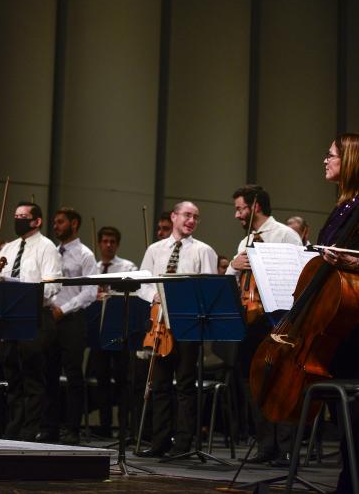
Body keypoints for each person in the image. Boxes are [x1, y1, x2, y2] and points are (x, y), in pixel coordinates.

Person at [226, 185, 302, 466]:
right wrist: (233, 265)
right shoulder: (243, 241)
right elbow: (233, 281)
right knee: (250, 381)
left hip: (278, 318)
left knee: (281, 380)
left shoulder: (285, 235)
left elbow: (301, 274)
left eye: (240, 208)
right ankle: (265, 444)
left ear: (255, 207)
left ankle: (284, 448)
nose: (237, 215)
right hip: (250, 320)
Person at [136, 201, 217, 458]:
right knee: (159, 384)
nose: (191, 220)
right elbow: (143, 283)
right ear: (174, 217)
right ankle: (159, 441)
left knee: (184, 385)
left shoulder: (204, 251)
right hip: (160, 325)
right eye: (186, 215)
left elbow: (208, 287)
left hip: (187, 325)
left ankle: (182, 444)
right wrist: (154, 297)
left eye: (195, 217)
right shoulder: (155, 249)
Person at [308, 134, 359, 492]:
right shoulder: (344, 206)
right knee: (344, 417)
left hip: (353, 322)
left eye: (330, 156)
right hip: (335, 318)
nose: (325, 161)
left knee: (353, 414)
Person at [0, 202, 62, 442]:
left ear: (36, 221)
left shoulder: (46, 247)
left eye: (23, 216)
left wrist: (25, 293)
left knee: (32, 379)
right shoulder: (8, 247)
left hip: (35, 317)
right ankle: (13, 428)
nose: (18, 219)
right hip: (9, 319)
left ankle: (31, 431)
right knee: (13, 377)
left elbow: (53, 285)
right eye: (15, 215)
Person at [36, 207, 97, 445]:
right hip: (50, 316)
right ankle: (49, 427)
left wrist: (65, 308)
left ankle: (73, 429)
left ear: (74, 224)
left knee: (73, 376)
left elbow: (90, 292)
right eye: (54, 222)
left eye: (61, 222)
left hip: (72, 319)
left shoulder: (85, 254)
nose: (55, 226)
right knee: (48, 374)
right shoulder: (50, 251)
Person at [89, 225, 137, 437]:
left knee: (122, 381)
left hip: (119, 330)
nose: (108, 245)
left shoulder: (127, 267)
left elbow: (135, 292)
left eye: (112, 242)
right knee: (101, 381)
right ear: (99, 243)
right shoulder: (93, 267)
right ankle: (105, 426)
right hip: (97, 331)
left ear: (117, 244)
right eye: (105, 241)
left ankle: (123, 427)